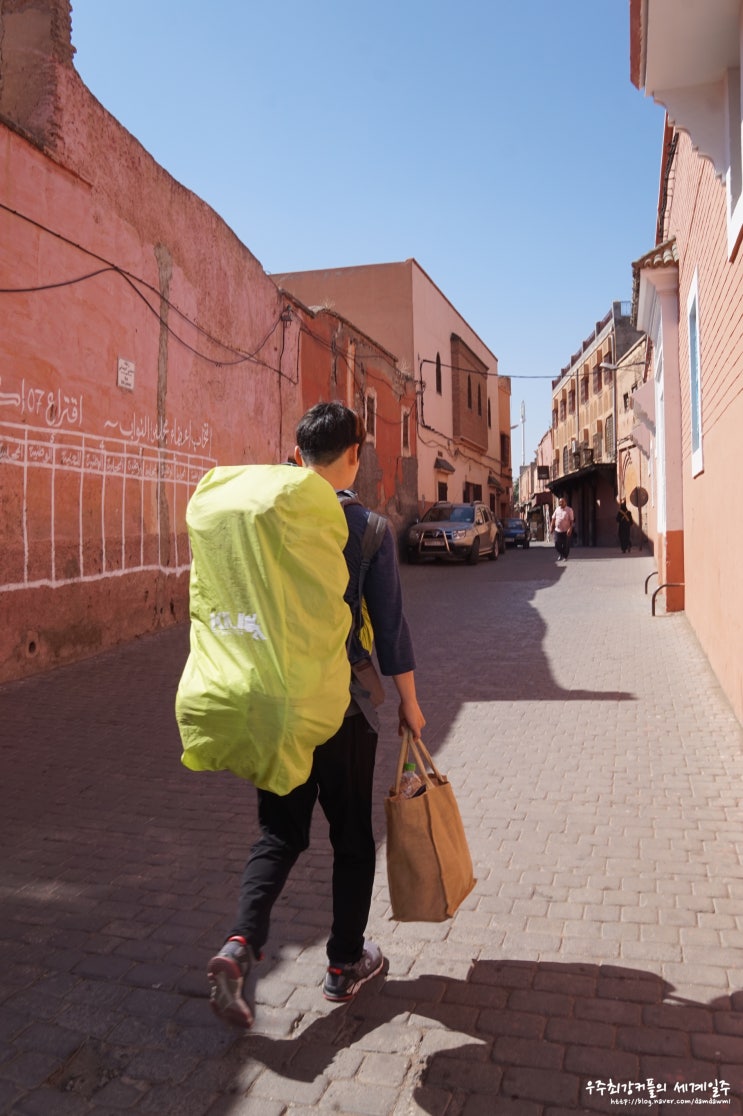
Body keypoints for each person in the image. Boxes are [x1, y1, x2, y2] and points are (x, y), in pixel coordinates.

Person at [207, 401, 425, 1029]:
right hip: (342, 710)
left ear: (297, 455)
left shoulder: (266, 518)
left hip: (274, 704)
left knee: (279, 833)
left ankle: (240, 944)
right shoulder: (371, 530)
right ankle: (343, 963)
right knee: (353, 839)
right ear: (356, 454)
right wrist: (410, 705)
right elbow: (390, 630)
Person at [550, 497, 574, 563]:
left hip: (566, 530)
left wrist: (570, 528)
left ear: (565, 502)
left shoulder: (569, 510)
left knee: (566, 545)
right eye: (559, 502)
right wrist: (551, 527)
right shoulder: (557, 509)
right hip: (558, 530)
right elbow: (553, 519)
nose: (560, 503)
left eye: (562, 502)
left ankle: (565, 556)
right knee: (557, 544)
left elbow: (572, 521)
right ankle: (562, 554)